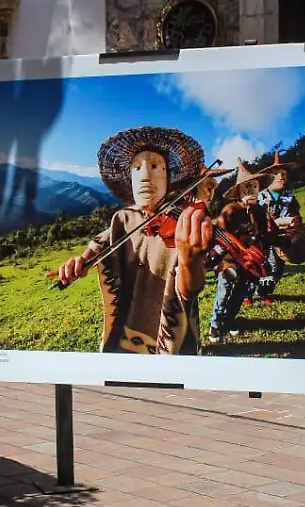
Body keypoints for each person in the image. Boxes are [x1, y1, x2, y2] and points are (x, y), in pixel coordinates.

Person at [55, 126, 213, 355]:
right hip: (125, 330)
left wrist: (191, 262)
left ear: (168, 177)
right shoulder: (123, 218)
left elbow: (191, 290)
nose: (146, 175)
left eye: (156, 167)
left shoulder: (182, 224)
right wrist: (80, 262)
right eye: (137, 168)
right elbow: (101, 243)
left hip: (169, 334)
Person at [207, 159, 275, 342]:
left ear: (258, 188)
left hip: (251, 261)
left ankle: (230, 321)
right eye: (246, 187)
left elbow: (264, 235)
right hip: (229, 260)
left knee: (240, 293)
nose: (250, 191)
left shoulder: (260, 211)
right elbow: (220, 238)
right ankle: (215, 324)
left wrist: (263, 257)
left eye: (254, 186)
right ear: (239, 191)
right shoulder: (230, 211)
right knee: (224, 292)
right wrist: (215, 259)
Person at [251, 151, 303, 305]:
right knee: (257, 265)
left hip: (281, 236)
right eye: (276, 174)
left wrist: (296, 223)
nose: (281, 177)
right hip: (261, 237)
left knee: (277, 266)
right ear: (269, 178)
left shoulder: (290, 197)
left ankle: (265, 292)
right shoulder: (259, 197)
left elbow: (295, 214)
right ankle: (248, 294)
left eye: (284, 174)